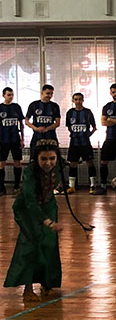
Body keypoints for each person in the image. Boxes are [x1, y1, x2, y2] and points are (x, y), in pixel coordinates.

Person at [4, 139, 63, 301]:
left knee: (50, 243)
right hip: (26, 209)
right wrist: (46, 221)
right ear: (36, 158)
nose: (48, 163)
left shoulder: (59, 167)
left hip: (49, 205)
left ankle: (47, 283)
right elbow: (29, 200)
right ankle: (28, 289)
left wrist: (49, 218)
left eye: (52, 158)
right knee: (31, 245)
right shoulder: (30, 172)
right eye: (43, 159)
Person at [65, 92, 98, 195]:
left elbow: (94, 127)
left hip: (85, 143)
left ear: (83, 100)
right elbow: (69, 127)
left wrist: (88, 135)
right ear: (73, 101)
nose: (78, 101)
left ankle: (92, 185)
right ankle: (71, 186)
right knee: (72, 164)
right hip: (74, 143)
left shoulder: (87, 112)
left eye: (80, 99)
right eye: (76, 99)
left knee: (89, 162)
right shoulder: (70, 112)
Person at [0, 87, 25, 195]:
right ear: (3, 95)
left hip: (15, 139)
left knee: (17, 162)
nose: (11, 97)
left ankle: (16, 187)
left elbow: (21, 124)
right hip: (3, 140)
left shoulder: (16, 107)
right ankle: (1, 188)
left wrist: (22, 139)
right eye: (9, 95)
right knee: (1, 163)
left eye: (12, 95)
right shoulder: (0, 108)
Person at [25, 84, 60, 156]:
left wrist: (46, 129)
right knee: (34, 158)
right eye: (48, 93)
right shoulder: (34, 105)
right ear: (42, 93)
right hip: (37, 137)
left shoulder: (54, 106)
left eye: (51, 94)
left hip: (51, 137)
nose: (49, 95)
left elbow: (57, 123)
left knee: (52, 158)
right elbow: (26, 121)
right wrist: (36, 128)